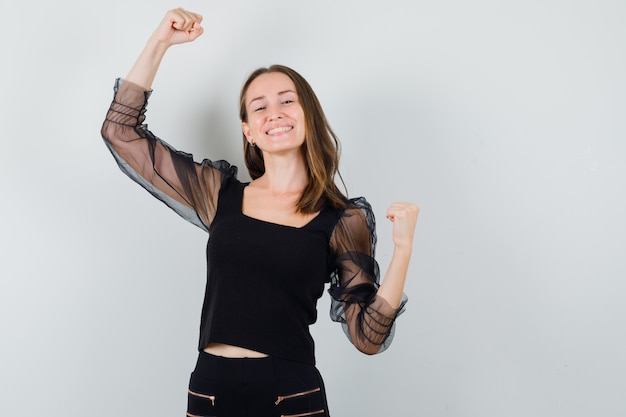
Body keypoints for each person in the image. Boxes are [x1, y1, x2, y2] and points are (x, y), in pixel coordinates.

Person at [101, 7, 419, 417]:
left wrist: (404, 250)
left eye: (287, 101)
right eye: (259, 107)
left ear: (308, 115)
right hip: (211, 389)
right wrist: (160, 42)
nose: (275, 113)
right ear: (248, 130)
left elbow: (368, 337)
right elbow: (121, 133)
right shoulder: (219, 195)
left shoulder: (343, 219)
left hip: (291, 394)